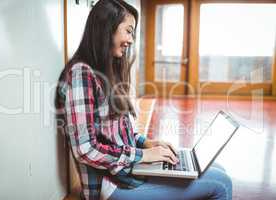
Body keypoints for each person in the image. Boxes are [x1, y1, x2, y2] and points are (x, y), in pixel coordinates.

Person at [55, 0, 232, 199]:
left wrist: (147, 143)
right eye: (128, 31)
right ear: (107, 29)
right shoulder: (80, 74)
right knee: (221, 183)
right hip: (112, 186)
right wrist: (144, 156)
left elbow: (116, 134)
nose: (131, 40)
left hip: (127, 173)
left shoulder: (105, 70)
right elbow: (85, 149)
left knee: (216, 168)